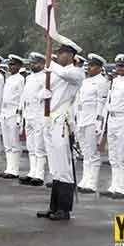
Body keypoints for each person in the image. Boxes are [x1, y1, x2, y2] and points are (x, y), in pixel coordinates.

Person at [36, 41, 85, 221]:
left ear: (71, 55)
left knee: (64, 167)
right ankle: (54, 206)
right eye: (57, 52)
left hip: (62, 122)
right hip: (50, 120)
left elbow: (64, 74)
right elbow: (46, 90)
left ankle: (64, 209)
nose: (58, 55)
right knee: (55, 167)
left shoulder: (76, 72)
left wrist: (49, 62)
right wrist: (42, 95)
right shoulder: (55, 72)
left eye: (62, 53)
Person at [100, 54, 124, 199]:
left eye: (123, 66)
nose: (120, 69)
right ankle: (113, 186)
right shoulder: (114, 82)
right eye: (118, 66)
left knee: (122, 156)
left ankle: (121, 188)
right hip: (113, 119)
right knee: (113, 155)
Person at [75, 54, 109, 193]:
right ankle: (85, 180)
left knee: (93, 154)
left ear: (100, 68)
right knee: (85, 152)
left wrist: (98, 124)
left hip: (92, 121)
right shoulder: (85, 81)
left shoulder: (102, 82)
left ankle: (92, 183)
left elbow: (102, 105)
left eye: (93, 65)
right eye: (89, 65)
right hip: (82, 119)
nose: (90, 68)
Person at [19, 52, 48, 185]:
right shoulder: (29, 78)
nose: (32, 65)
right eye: (31, 62)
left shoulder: (46, 77)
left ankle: (40, 174)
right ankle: (32, 172)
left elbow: (47, 94)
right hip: (29, 113)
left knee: (39, 146)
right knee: (30, 146)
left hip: (39, 114)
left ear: (42, 64)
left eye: (35, 63)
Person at [0, 55, 25, 179]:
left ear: (19, 66)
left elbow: (21, 99)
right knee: (7, 143)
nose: (10, 67)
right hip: (5, 112)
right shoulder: (9, 78)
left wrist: (20, 117)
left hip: (13, 112)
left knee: (14, 143)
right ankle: (9, 168)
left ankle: (14, 169)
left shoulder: (20, 79)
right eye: (9, 65)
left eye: (13, 65)